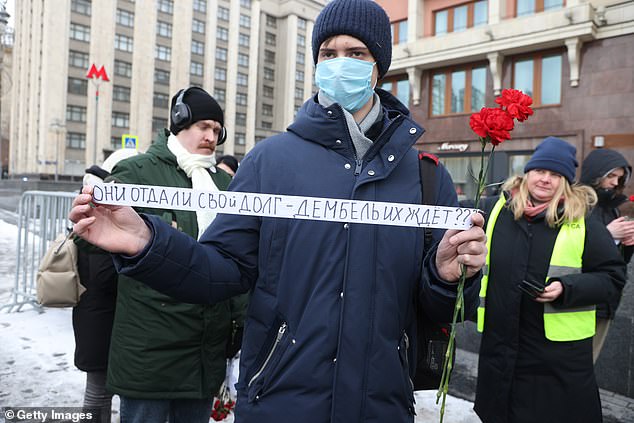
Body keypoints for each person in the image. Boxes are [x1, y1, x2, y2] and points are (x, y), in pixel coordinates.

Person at [69, 1, 487, 422]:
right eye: (328, 53)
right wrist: (146, 242)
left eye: (356, 53)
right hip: (279, 402)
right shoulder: (270, 161)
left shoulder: (426, 177)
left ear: (379, 66)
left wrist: (450, 278)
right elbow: (221, 270)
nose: (340, 64)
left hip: (381, 406)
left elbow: (438, 307)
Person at [103, 87, 247, 423]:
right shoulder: (137, 172)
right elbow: (94, 243)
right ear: (179, 123)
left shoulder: (223, 185)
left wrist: (238, 324)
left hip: (204, 351)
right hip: (150, 349)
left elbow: (238, 258)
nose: (211, 137)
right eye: (203, 127)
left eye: (217, 130)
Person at [474, 137, 626, 423]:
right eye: (540, 171)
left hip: (555, 362)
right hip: (501, 351)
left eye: (555, 175)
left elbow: (612, 278)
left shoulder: (582, 219)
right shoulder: (495, 210)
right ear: (527, 173)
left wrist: (567, 288)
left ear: (565, 182)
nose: (545, 179)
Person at [73, 148, 138, 423]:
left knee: (100, 392)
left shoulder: (96, 203)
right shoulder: (98, 209)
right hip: (101, 319)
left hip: (100, 316)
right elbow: (102, 275)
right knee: (98, 393)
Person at [580, 148, 633, 361]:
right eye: (610, 176)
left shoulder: (611, 208)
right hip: (580, 299)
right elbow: (569, 251)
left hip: (606, 301)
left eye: (619, 178)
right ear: (595, 173)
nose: (614, 182)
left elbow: (616, 262)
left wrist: (626, 244)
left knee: (588, 363)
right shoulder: (580, 205)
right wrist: (609, 235)